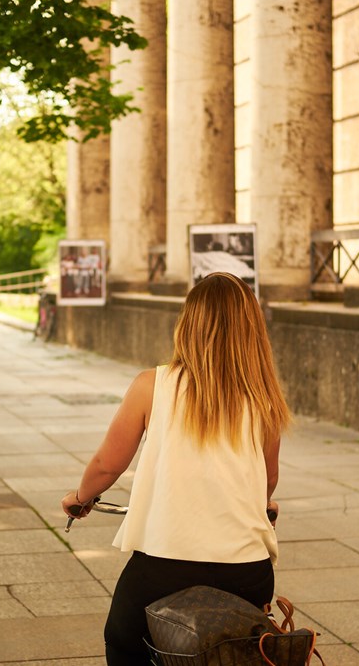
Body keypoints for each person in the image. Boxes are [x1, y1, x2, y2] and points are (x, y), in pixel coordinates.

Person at [61, 272, 289, 665]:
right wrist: (263, 504)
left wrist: (80, 498)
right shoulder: (263, 396)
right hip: (246, 568)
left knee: (123, 642)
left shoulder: (153, 385)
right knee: (235, 656)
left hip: (166, 563)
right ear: (252, 328)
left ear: (189, 324)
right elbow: (267, 476)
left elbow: (107, 464)